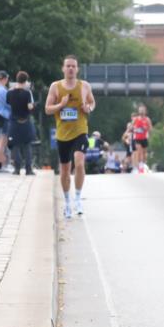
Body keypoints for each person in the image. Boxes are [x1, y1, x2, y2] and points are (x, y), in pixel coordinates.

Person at [45, 55, 95, 217]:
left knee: (79, 164)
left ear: (77, 69)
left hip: (80, 131)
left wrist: (88, 108)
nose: (71, 69)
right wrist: (61, 104)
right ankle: (67, 202)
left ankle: (78, 198)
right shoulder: (56, 87)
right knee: (65, 170)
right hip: (62, 134)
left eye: (74, 66)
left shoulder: (84, 86)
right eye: (68, 66)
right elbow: (47, 109)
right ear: (63, 68)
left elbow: (92, 102)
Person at [6, 71, 36, 175]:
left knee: (15, 145)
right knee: (27, 145)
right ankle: (28, 169)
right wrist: (33, 106)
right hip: (26, 122)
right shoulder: (27, 93)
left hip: (14, 123)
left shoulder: (9, 93)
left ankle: (17, 168)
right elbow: (29, 107)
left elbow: (8, 103)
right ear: (26, 81)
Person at [132, 104, 153, 173]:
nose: (141, 111)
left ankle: (143, 165)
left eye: (143, 110)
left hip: (144, 138)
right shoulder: (136, 119)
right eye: (140, 110)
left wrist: (146, 129)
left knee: (144, 153)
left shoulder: (147, 119)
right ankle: (140, 167)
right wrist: (135, 129)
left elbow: (150, 129)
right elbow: (131, 127)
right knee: (139, 151)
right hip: (137, 138)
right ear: (138, 111)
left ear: (145, 111)